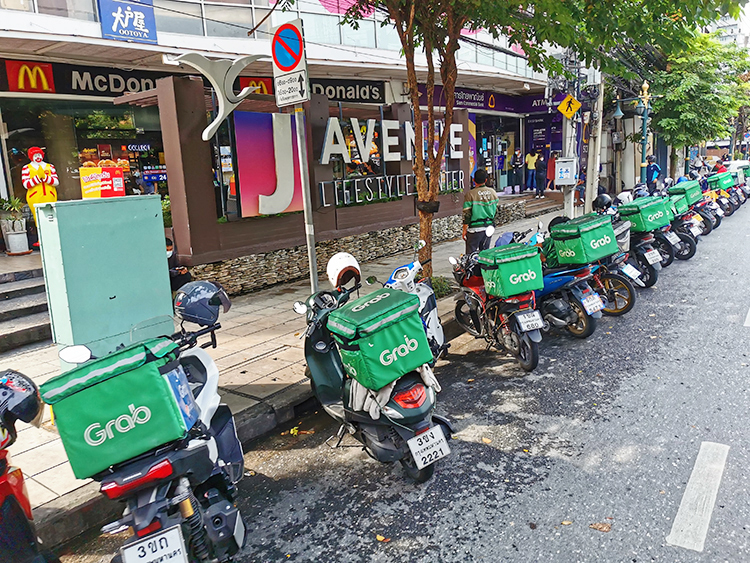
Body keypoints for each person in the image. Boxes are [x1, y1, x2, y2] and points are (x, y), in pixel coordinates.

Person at [462, 168, 499, 254]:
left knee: (471, 254)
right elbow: (496, 210)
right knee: (485, 254)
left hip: (475, 229)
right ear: (486, 180)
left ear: (474, 180)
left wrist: (464, 229)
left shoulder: (470, 194)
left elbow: (467, 214)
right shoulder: (493, 192)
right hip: (489, 227)